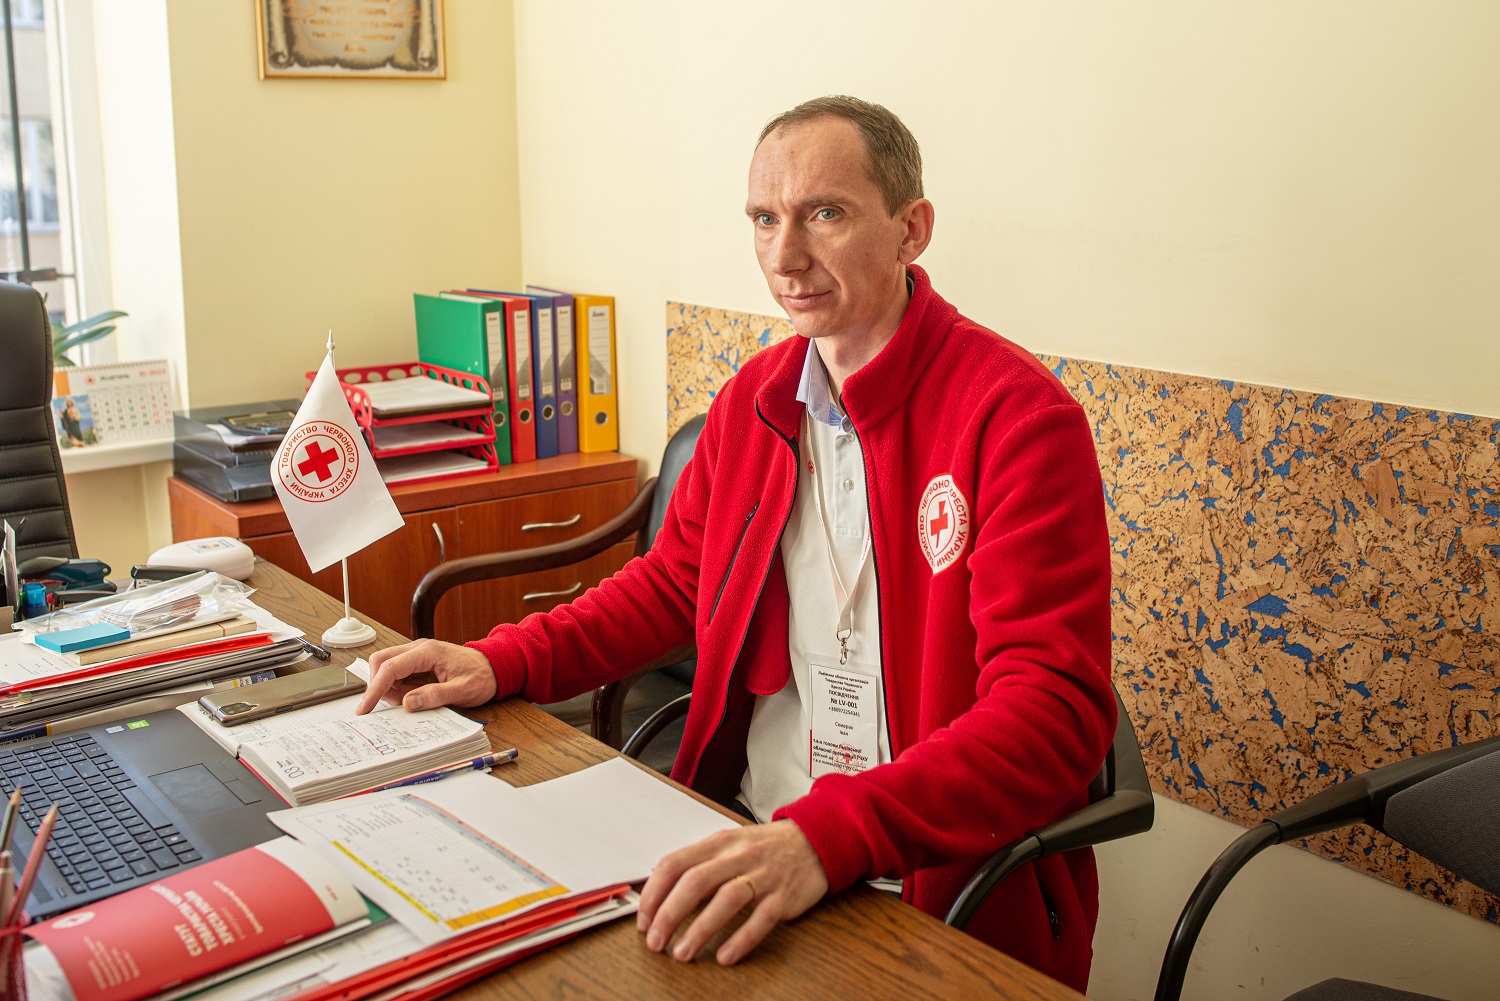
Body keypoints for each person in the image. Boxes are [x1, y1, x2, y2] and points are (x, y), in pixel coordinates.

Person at [357, 95, 1115, 990]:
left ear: (913, 229)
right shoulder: (755, 401)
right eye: (764, 219)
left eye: (824, 214)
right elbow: (677, 584)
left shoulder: (1017, 420)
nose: (786, 257)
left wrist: (824, 837)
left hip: (920, 889)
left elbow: (1053, 714)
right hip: (752, 843)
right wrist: (504, 659)